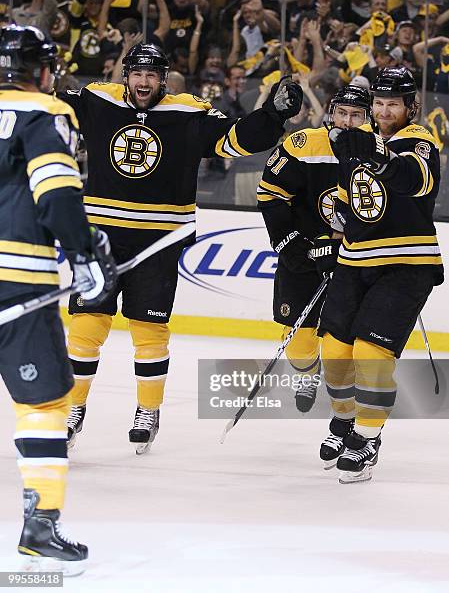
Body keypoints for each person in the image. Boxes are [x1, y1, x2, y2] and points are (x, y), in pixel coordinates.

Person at [59, 43, 303, 454]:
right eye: (137, 73)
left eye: (152, 75)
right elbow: (44, 107)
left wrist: (272, 115)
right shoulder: (97, 100)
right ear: (126, 74)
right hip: (100, 239)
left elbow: (233, 141)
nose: (144, 81)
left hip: (160, 240)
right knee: (86, 326)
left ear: (165, 78)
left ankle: (148, 411)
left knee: (149, 330)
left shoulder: (189, 112)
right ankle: (73, 408)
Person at [0, 25, 116, 571]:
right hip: (17, 281)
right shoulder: (44, 113)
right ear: (41, 69)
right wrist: (86, 254)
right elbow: (57, 193)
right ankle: (39, 525)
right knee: (44, 404)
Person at [316, 67, 444, 483]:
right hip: (354, 263)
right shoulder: (357, 141)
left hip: (406, 266)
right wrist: (332, 227)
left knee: (371, 355)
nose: (385, 111)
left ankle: (368, 438)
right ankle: (350, 419)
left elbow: (413, 181)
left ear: (411, 107)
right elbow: (344, 197)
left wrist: (374, 152)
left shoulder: (419, 141)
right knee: (334, 357)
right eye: (380, 103)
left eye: (394, 104)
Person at [257, 85, 371, 413]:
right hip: (305, 257)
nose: (347, 122)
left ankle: (349, 413)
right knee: (298, 344)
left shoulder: (379, 152)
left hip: (354, 260)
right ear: (330, 113)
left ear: (368, 120)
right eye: (342, 113)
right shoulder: (302, 145)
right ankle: (309, 373)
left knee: (347, 342)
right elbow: (271, 197)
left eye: (357, 116)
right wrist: (294, 246)